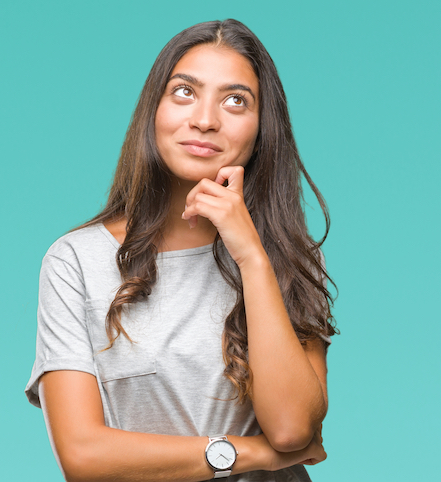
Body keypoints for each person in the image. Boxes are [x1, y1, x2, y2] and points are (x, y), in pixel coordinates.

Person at [24, 19, 339, 482]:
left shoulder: (289, 256)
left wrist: (252, 257)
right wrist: (250, 455)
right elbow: (82, 456)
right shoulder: (76, 261)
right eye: (184, 92)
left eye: (235, 100)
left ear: (261, 128)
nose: (206, 119)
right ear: (153, 110)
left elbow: (292, 431)